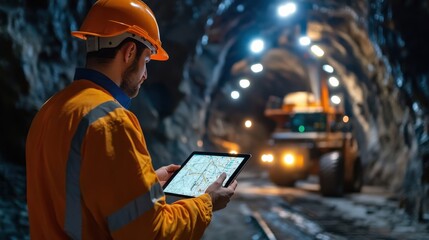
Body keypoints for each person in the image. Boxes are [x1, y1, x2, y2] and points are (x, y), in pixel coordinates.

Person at [25, 0, 237, 239]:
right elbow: (152, 232)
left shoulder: (51, 108)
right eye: (146, 61)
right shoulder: (111, 120)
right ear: (129, 52)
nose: (145, 74)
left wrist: (148, 182)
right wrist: (207, 203)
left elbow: (76, 189)